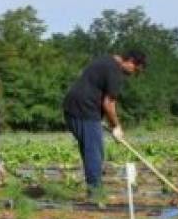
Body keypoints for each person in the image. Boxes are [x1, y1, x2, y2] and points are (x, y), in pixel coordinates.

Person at [62, 51, 146, 200]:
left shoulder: (106, 61)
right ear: (130, 61)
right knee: (94, 153)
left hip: (73, 108)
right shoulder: (115, 71)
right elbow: (108, 104)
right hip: (84, 110)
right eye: (135, 70)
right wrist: (116, 126)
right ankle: (95, 194)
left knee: (91, 151)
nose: (132, 74)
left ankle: (93, 190)